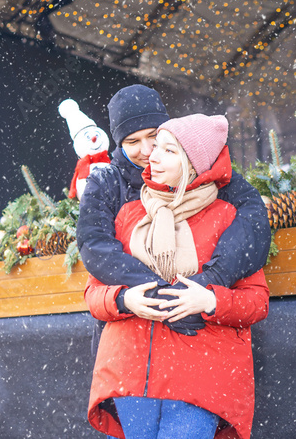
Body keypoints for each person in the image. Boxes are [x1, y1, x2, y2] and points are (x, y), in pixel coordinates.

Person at [84, 113, 270, 439]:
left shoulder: (228, 218)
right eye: (155, 147)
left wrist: (210, 300)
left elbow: (257, 301)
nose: (151, 155)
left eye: (167, 149)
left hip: (202, 373)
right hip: (131, 370)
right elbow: (93, 293)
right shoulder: (129, 214)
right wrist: (125, 299)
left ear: (193, 163)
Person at [76, 84, 271, 340]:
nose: (147, 151)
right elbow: (95, 246)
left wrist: (212, 279)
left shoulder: (204, 169)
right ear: (119, 142)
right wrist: (162, 295)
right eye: (133, 141)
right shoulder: (106, 182)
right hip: (130, 346)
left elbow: (253, 220)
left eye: (154, 136)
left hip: (205, 344)